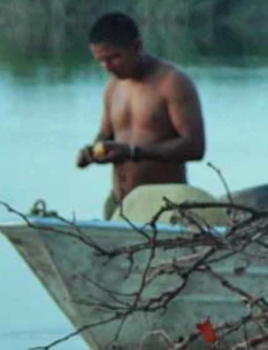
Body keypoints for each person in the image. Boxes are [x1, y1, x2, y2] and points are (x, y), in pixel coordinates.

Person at [76, 12, 206, 220]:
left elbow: (195, 147)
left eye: (114, 58)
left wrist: (133, 152)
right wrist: (93, 152)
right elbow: (106, 134)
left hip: (164, 207)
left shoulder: (172, 83)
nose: (108, 67)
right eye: (101, 61)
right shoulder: (113, 87)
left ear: (136, 46)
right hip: (119, 204)